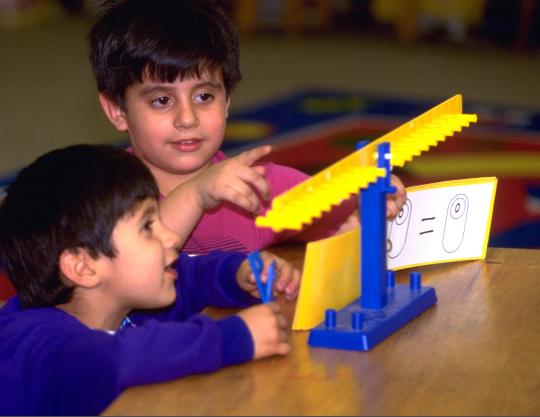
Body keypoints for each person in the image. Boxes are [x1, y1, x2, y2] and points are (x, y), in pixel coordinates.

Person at [0, 144, 300, 415]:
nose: (171, 236)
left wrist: (237, 275)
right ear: (84, 267)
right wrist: (235, 338)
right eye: (147, 226)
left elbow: (190, 278)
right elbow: (120, 358)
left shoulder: (124, 303)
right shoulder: (39, 344)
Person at [88, 0, 407, 255]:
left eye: (204, 96)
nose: (188, 119)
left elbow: (337, 240)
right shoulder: (99, 199)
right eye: (161, 101)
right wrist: (198, 194)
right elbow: (132, 260)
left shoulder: (264, 188)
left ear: (227, 101)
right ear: (117, 110)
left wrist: (369, 210)